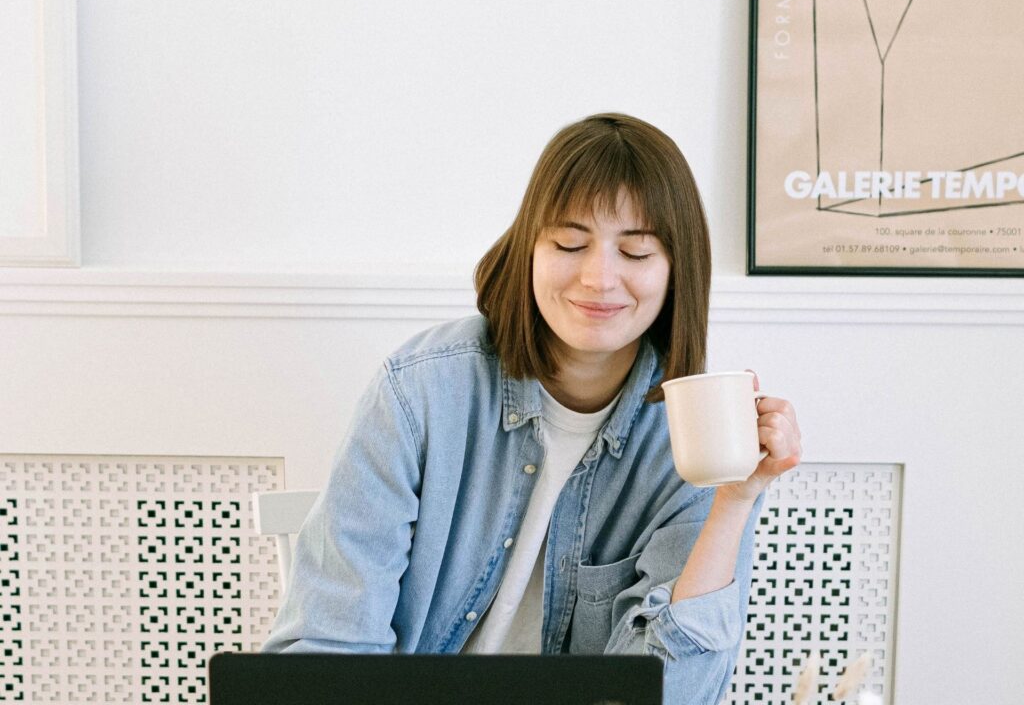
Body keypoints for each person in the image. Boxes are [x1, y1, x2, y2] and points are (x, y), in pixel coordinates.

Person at [262, 113, 802, 703]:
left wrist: (735, 501)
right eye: (570, 243)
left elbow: (674, 694)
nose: (599, 278)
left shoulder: (697, 429)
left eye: (637, 251)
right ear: (529, 249)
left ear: (677, 271)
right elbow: (329, 652)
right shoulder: (422, 390)